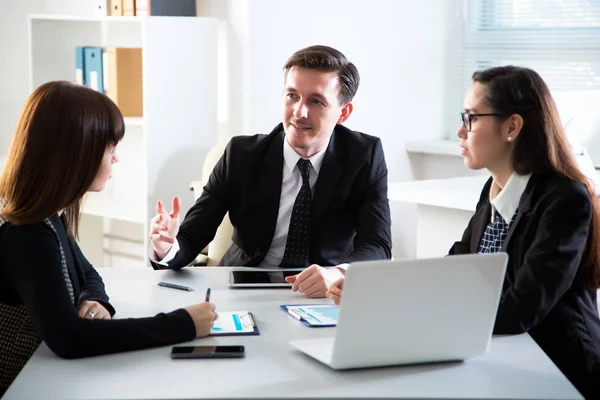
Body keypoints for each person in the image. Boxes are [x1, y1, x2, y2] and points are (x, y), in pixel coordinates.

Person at [328, 66, 600, 398]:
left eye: (470, 117)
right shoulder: (494, 188)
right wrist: (374, 290)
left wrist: (408, 308)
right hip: (502, 357)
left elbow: (520, 310)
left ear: (512, 126)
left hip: (559, 370)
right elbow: (454, 268)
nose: (460, 130)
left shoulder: (563, 200)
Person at [0, 81, 217, 395]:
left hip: (50, 374)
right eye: (110, 148)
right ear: (78, 152)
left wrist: (95, 300)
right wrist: (183, 324)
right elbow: (70, 339)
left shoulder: (48, 213)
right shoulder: (27, 233)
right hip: (25, 384)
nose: (115, 159)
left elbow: (87, 272)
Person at [149, 45, 392, 298]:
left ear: (343, 112)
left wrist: (339, 274)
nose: (299, 112)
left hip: (320, 293)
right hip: (242, 288)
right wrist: (167, 246)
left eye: (316, 101)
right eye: (292, 96)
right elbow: (191, 236)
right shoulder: (241, 155)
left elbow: (377, 244)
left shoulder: (364, 156)